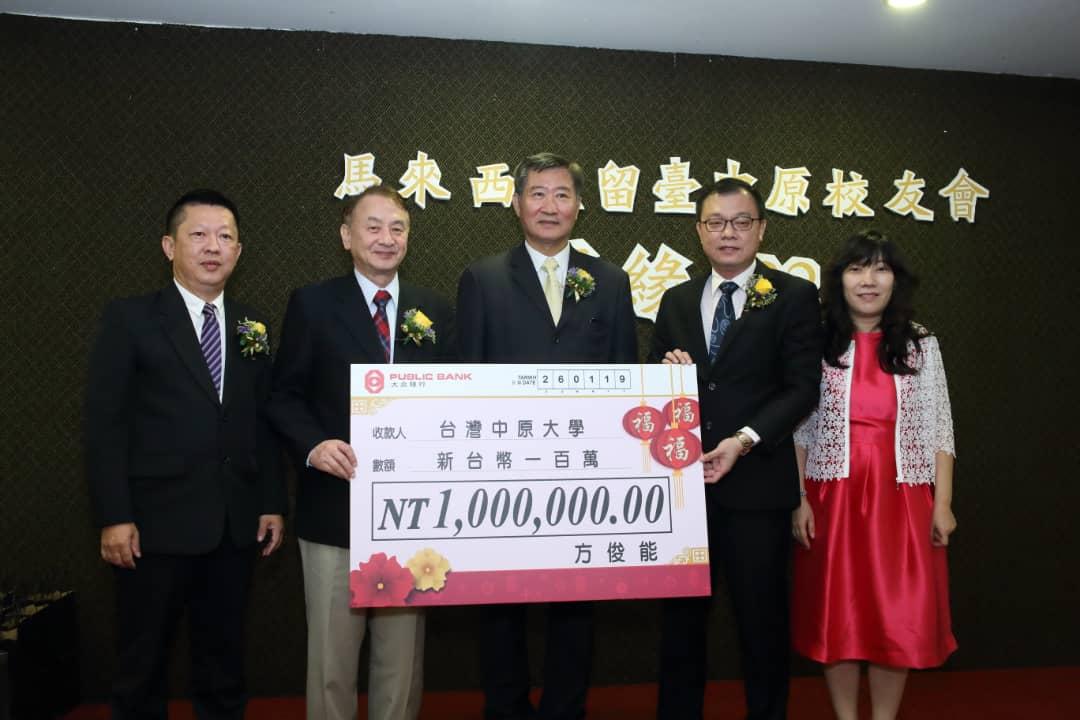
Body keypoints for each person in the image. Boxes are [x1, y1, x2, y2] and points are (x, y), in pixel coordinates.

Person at [85, 189, 286, 719]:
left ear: (240, 251)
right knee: (142, 665)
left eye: (225, 237)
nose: (212, 247)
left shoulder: (253, 325)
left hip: (233, 524)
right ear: (170, 245)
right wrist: (115, 516)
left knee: (223, 666)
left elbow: (261, 423)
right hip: (153, 527)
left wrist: (270, 501)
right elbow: (105, 425)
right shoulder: (131, 320)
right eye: (199, 235)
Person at [456, 152, 638, 720]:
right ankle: (506, 708)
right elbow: (466, 377)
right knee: (501, 605)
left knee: (575, 606)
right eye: (538, 193)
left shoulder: (609, 281)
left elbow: (624, 375)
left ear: (580, 206)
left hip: (582, 473)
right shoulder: (482, 277)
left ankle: (566, 709)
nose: (549, 206)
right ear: (516, 204)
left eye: (562, 194)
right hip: (503, 470)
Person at [267, 183, 455, 720]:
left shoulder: (433, 309)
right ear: (347, 235)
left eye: (397, 228)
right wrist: (313, 446)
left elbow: (457, 400)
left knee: (402, 660)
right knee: (332, 658)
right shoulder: (313, 303)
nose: (386, 238)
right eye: (372, 227)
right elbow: (283, 396)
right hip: (334, 508)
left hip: (412, 517)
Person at [649, 178, 823, 720]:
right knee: (680, 628)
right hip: (683, 495)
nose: (729, 233)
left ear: (762, 229)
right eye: (716, 223)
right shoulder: (676, 300)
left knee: (762, 625)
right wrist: (663, 377)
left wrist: (743, 439)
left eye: (741, 222)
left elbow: (802, 388)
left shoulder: (793, 295)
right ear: (699, 231)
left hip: (758, 486)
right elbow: (654, 388)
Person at [791, 230, 957, 720]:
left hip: (903, 496)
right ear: (839, 279)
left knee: (895, 616)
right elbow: (800, 430)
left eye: (880, 269)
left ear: (895, 280)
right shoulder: (819, 343)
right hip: (831, 497)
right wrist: (799, 497)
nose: (869, 280)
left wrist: (943, 503)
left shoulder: (920, 344)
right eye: (857, 268)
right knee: (837, 615)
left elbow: (940, 427)